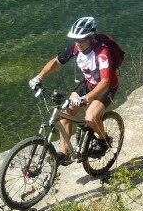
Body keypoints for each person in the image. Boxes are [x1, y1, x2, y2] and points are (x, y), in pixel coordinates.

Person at [28, 16, 119, 165]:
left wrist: (85, 99)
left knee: (90, 117)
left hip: (105, 87)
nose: (77, 43)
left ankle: (104, 141)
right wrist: (39, 77)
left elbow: (105, 82)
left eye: (81, 40)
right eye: (76, 39)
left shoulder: (102, 52)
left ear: (91, 37)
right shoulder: (76, 46)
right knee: (65, 115)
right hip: (88, 82)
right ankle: (65, 154)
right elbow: (56, 61)